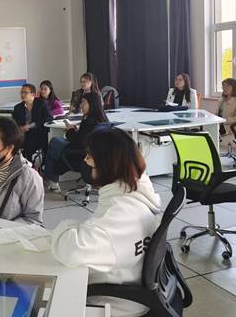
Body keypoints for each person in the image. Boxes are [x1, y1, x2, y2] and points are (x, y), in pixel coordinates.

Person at [51, 128, 161, 317]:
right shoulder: (136, 189)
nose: (85, 161)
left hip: (116, 305)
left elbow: (70, 250)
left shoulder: (120, 214)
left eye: (89, 156)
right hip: (127, 284)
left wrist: (69, 225)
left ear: (106, 163)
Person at [44, 91, 108, 191]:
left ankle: (52, 179)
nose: (81, 105)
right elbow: (86, 136)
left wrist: (70, 131)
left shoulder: (89, 121)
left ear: (92, 104)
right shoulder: (103, 119)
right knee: (56, 144)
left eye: (84, 103)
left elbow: (78, 141)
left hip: (81, 153)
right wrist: (77, 130)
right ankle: (52, 179)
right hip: (96, 155)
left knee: (54, 143)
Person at [12, 83, 52, 161]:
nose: (22, 95)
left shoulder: (41, 104)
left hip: (38, 133)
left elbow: (48, 118)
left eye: (25, 92)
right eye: (21, 92)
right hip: (22, 133)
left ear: (33, 94)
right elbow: (15, 122)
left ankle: (28, 163)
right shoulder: (18, 107)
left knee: (29, 144)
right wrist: (20, 128)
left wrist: (30, 126)